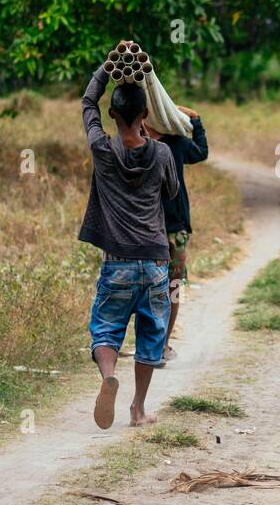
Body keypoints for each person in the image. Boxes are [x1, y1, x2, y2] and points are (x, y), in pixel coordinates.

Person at [78, 64, 177, 429]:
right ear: (146, 115)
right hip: (153, 262)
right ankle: (137, 409)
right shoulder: (163, 155)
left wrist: (105, 70)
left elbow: (88, 102)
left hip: (117, 262)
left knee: (106, 329)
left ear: (112, 114)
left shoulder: (102, 148)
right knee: (151, 336)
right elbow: (171, 193)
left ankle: (108, 377)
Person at [143, 105, 208, 360]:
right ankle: (159, 345)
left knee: (160, 288)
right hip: (167, 231)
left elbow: (200, 153)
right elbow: (201, 151)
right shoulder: (175, 143)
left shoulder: (132, 143)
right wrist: (196, 120)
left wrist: (196, 121)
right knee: (170, 289)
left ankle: (155, 345)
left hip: (149, 231)